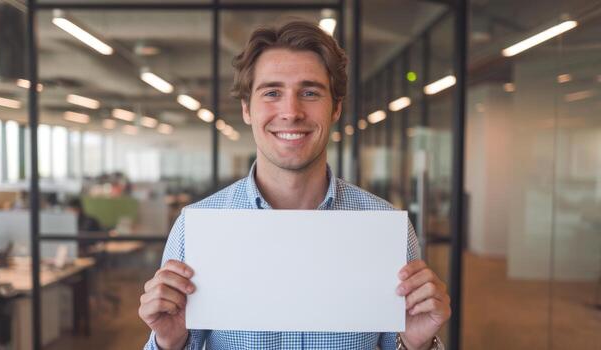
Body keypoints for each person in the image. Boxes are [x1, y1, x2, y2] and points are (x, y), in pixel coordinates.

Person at [139, 21, 451, 350]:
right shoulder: (196, 227)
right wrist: (168, 343)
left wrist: (418, 344)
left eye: (310, 92)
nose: (291, 112)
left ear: (336, 108)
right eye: (272, 92)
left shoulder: (386, 228)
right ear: (247, 108)